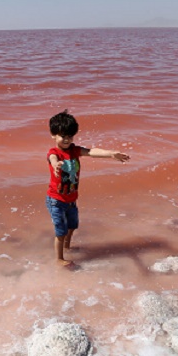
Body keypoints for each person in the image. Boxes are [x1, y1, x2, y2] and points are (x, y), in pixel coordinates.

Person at [46, 110, 130, 269]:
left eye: (70, 136)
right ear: (53, 135)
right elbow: (52, 158)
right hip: (56, 200)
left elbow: (92, 152)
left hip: (71, 199)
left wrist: (111, 154)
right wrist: (56, 164)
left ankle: (67, 247)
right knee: (61, 231)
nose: (67, 139)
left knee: (72, 227)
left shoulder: (75, 150)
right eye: (63, 136)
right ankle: (59, 259)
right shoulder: (54, 153)